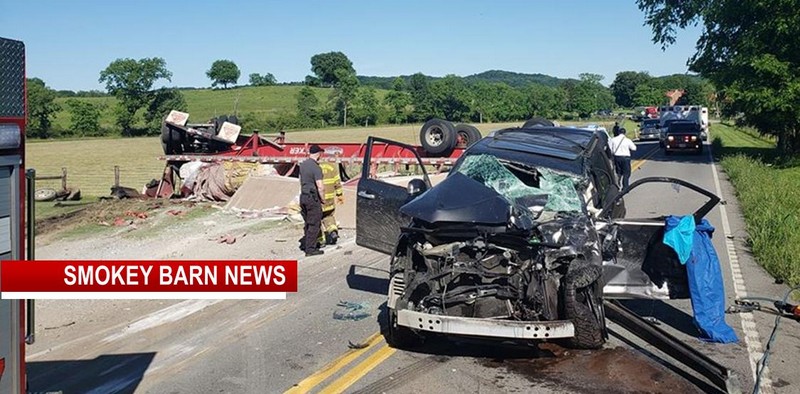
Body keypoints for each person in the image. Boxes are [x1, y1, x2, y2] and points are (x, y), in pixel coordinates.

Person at [298, 145, 325, 256]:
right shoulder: (316, 168)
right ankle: (310, 249)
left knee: (308, 223)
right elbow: (320, 186)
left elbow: (301, 180)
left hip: (303, 196)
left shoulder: (303, 165)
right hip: (312, 198)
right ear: (318, 154)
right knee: (314, 224)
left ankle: (307, 243)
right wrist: (323, 199)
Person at [318, 162, 345, 245]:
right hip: (330, 200)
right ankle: (333, 231)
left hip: (319, 200)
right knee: (328, 216)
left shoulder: (314, 168)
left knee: (316, 219)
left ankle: (320, 240)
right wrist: (339, 195)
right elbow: (337, 183)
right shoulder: (332, 167)